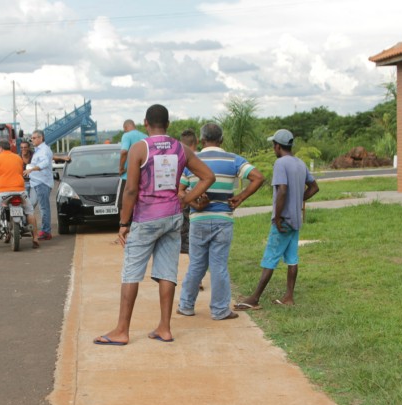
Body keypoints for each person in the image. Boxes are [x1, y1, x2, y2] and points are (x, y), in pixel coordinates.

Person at [93, 104, 216, 346]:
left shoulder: (140, 148)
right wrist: (186, 200)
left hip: (146, 217)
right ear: (168, 124)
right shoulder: (180, 148)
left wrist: (123, 223)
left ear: (146, 123)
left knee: (131, 272)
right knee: (167, 272)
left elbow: (130, 190)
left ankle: (121, 330)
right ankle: (164, 328)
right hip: (172, 217)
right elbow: (208, 177)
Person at [177, 122, 265, 320]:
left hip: (198, 220)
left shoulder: (191, 160)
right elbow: (258, 177)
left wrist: (194, 202)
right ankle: (219, 310)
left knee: (196, 265)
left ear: (200, 141)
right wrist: (240, 197)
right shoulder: (234, 160)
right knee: (219, 265)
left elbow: (179, 191)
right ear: (222, 140)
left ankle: (186, 306)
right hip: (223, 219)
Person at [235, 129, 319, 310]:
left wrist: (279, 216)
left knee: (270, 258)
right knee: (292, 258)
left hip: (284, 220)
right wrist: (299, 199)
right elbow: (314, 187)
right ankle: (288, 296)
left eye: (273, 145)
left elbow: (282, 189)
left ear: (278, 146)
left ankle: (254, 298)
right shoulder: (300, 163)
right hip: (296, 220)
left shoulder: (280, 163)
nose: (273, 148)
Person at [0, 140, 40, 249]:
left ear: (0, 148)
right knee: (29, 212)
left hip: (3, 191)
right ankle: (35, 238)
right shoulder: (18, 158)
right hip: (20, 190)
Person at [24, 130, 54, 240]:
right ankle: (27, 226)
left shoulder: (44, 150)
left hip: (42, 183)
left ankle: (46, 231)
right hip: (35, 182)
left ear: (41, 138)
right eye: (32, 138)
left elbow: (44, 163)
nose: (32, 140)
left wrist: (32, 169)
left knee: (43, 208)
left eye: (34, 138)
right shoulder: (37, 150)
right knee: (30, 205)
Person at [116, 119, 147, 211]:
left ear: (125, 127)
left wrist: (121, 168)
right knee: (140, 205)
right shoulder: (145, 136)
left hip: (127, 176)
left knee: (123, 206)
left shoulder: (126, 135)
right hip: (143, 177)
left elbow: (124, 151)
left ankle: (124, 225)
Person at [178, 129, 198, 255]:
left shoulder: (179, 158)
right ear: (196, 143)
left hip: (186, 199)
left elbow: (180, 189)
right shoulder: (199, 158)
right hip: (199, 198)